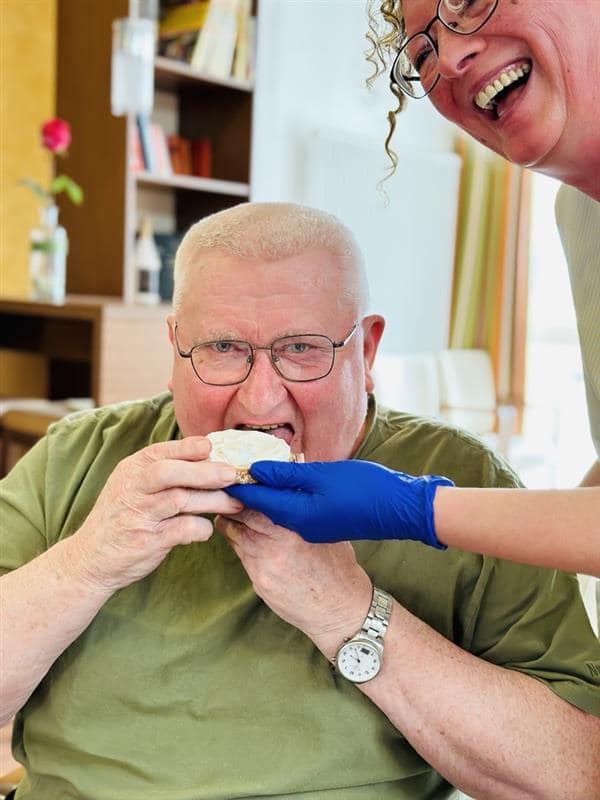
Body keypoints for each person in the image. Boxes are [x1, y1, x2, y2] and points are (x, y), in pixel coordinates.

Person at [1, 202, 599, 800]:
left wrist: (348, 612)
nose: (260, 400)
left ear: (367, 352)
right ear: (176, 346)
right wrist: (86, 565)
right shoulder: (77, 457)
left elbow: (575, 775)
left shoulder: (467, 483)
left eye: (303, 349)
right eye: (223, 347)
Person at [228, 0, 600, 578]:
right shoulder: (578, 217)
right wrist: (534, 582)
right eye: (422, 53)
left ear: (366, 350)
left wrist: (420, 509)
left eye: (469, 1)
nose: (447, 60)